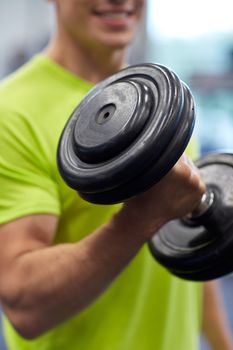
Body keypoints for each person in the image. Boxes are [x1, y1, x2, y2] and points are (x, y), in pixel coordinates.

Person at [0, 1, 232, 349]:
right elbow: (25, 305)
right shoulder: (11, 113)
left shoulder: (160, 100)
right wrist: (145, 214)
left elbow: (191, 248)